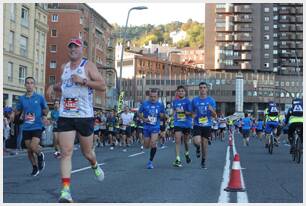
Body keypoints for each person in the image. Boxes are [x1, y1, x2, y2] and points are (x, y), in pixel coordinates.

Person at [46, 38, 106, 203]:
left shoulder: (88, 65)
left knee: (87, 153)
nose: (73, 49)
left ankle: (94, 165)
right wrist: (53, 87)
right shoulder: (64, 67)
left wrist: (84, 81)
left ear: (81, 50)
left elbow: (102, 85)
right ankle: (66, 192)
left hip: (84, 116)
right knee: (66, 153)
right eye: (70, 47)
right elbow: (64, 84)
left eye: (76, 47)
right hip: (66, 115)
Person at [15, 77, 49, 176]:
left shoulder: (39, 97)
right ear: (25, 85)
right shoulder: (21, 98)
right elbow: (18, 110)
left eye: (31, 83)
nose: (29, 85)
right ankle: (35, 167)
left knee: (34, 146)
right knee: (29, 150)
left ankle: (40, 155)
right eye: (27, 83)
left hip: (37, 125)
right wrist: (16, 113)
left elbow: (45, 108)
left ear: (34, 85)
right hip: (26, 127)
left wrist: (44, 116)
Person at [192, 82, 217, 169]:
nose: (202, 89)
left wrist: (212, 110)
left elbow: (215, 115)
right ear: (199, 89)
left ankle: (203, 161)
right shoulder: (195, 100)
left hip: (207, 125)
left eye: (204, 87)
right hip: (197, 124)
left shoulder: (211, 100)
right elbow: (192, 113)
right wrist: (193, 115)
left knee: (205, 144)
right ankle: (197, 148)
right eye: (201, 88)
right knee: (197, 142)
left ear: (207, 89)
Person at [139, 88, 165, 169]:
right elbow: (139, 113)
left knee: (153, 143)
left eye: (154, 96)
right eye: (151, 96)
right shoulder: (144, 104)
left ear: (157, 97)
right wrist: (144, 119)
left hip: (155, 126)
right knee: (146, 145)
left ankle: (150, 162)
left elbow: (164, 115)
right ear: (149, 96)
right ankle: (153, 142)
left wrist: (162, 115)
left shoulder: (160, 105)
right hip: (147, 126)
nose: (153, 98)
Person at [171, 85, 192, 167]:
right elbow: (174, 112)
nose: (181, 92)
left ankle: (186, 153)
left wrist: (183, 112)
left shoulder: (188, 102)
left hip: (186, 123)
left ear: (185, 92)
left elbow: (191, 113)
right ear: (177, 92)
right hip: (178, 123)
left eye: (182, 91)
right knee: (177, 139)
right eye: (179, 91)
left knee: (186, 141)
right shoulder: (175, 101)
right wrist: (170, 116)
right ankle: (177, 159)